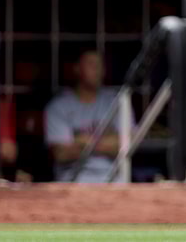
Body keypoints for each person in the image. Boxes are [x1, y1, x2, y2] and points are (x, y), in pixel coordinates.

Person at [44, 50, 135, 183]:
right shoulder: (58, 106)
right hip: (74, 180)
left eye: (100, 66)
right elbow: (61, 154)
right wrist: (109, 140)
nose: (98, 71)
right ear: (77, 69)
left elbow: (129, 145)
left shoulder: (117, 101)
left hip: (114, 179)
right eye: (91, 65)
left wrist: (81, 141)